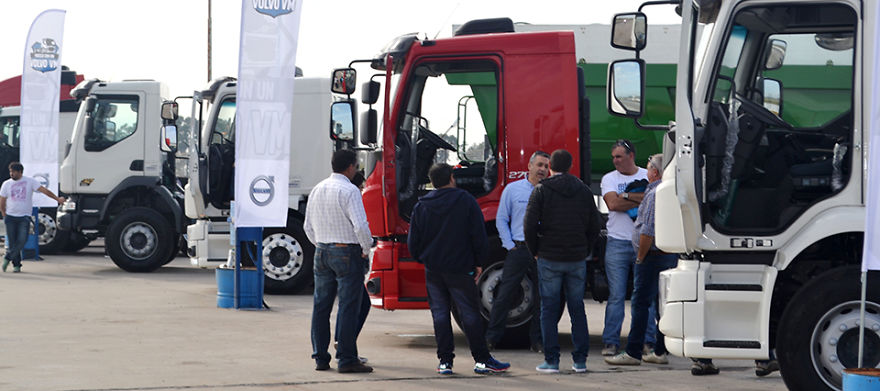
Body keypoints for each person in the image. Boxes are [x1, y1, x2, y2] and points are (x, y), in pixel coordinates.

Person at [407, 163, 510, 375]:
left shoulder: (422, 206)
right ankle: (482, 360)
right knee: (469, 313)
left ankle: (445, 362)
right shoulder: (466, 201)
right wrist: (479, 262)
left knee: (440, 314)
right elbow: (478, 236)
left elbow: (413, 242)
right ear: (452, 178)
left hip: (434, 269)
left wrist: (423, 259)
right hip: (461, 268)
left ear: (432, 182)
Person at [524, 149, 601, 373]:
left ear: (550, 167)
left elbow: (529, 225)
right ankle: (580, 361)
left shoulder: (541, 191)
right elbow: (595, 225)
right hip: (576, 258)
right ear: (571, 165)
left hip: (548, 256)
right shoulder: (584, 190)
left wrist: (535, 251)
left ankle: (552, 361)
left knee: (548, 309)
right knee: (577, 308)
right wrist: (584, 248)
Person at [303, 149, 373, 374]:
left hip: (322, 251)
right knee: (348, 306)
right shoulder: (350, 190)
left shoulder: (317, 189)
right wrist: (365, 248)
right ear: (351, 166)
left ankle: (321, 358)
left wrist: (321, 245)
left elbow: (307, 227)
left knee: (321, 307)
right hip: (346, 252)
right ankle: (346, 358)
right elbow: (361, 226)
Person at [605, 154, 677, 366]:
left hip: (652, 256)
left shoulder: (654, 194)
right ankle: (660, 350)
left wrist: (640, 257)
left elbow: (647, 231)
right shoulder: (669, 190)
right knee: (662, 304)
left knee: (640, 304)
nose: (646, 172)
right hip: (666, 254)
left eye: (648, 168)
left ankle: (634, 352)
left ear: (655, 172)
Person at [485, 150, 550, 353]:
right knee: (504, 295)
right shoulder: (513, 190)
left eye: (546, 166)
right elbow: (502, 219)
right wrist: (509, 245)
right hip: (519, 249)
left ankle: (537, 341)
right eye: (539, 165)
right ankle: (491, 338)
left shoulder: (550, 191)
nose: (542, 170)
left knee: (543, 298)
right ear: (529, 166)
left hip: (543, 252)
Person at [600, 139, 651, 357]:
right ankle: (611, 342)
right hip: (617, 243)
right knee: (616, 295)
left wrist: (627, 196)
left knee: (646, 296)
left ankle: (648, 342)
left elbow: (655, 201)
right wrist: (644, 199)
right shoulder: (609, 178)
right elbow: (613, 204)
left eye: (619, 156)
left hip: (643, 241)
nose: (615, 161)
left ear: (631, 156)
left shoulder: (648, 175)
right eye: (613, 157)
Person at [0, 162, 65, 273]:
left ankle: (7, 257)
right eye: (10, 172)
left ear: (20, 172)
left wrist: (57, 199)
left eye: (14, 172)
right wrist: (4, 213)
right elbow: (2, 200)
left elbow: (45, 191)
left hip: (24, 217)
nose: (11, 174)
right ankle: (16, 265)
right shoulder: (6, 184)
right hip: (10, 217)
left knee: (22, 240)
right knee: (12, 243)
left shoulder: (29, 182)